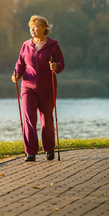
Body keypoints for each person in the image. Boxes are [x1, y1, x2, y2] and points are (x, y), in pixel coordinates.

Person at [12, 15, 65, 162]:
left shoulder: (53, 45)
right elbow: (20, 64)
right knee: (29, 118)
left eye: (35, 27)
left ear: (44, 28)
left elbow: (61, 63)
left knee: (47, 119)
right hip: (27, 86)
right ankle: (30, 152)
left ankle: (49, 149)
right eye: (30, 27)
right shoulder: (26, 45)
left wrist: (56, 66)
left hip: (47, 87)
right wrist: (16, 75)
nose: (32, 30)